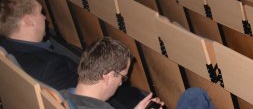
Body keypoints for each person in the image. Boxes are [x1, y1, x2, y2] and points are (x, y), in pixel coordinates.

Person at [0, 0, 143, 109]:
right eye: (40, 13)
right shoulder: (50, 68)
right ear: (28, 20)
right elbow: (90, 95)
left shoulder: (6, 49)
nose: (44, 17)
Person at [60, 37, 215, 109]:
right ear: (108, 76)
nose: (121, 84)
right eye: (122, 77)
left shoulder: (61, 96)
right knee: (196, 96)